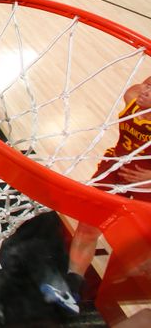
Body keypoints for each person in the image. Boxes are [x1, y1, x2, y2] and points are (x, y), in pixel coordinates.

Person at [41, 77, 151, 314]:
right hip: (116, 167)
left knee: (144, 250)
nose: (145, 91)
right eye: (147, 85)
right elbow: (136, 90)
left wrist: (147, 177)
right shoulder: (132, 96)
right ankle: (72, 287)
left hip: (147, 183)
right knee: (88, 226)